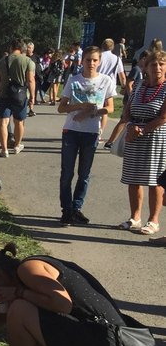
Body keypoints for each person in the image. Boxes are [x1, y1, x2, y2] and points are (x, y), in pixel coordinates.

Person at [0, 243, 124, 346]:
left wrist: (18, 293)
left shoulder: (27, 269)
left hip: (104, 345)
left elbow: (63, 304)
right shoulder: (27, 273)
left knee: (19, 309)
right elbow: (2, 316)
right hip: (110, 343)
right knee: (18, 310)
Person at [56, 46, 115, 226]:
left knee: (84, 174)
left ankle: (76, 208)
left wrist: (95, 110)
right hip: (71, 132)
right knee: (67, 173)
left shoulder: (106, 81)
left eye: (95, 60)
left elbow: (110, 108)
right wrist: (80, 106)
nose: (91, 63)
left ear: (99, 62)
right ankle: (66, 210)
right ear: (83, 61)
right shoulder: (74, 80)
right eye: (88, 59)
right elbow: (61, 107)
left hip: (91, 132)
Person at [117, 50, 166, 237]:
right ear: (146, 67)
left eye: (162, 64)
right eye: (154, 64)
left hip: (155, 138)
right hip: (133, 137)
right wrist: (130, 126)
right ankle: (134, 218)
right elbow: (127, 111)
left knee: (155, 180)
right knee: (133, 178)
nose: (158, 68)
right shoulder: (139, 86)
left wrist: (142, 130)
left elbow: (163, 117)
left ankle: (153, 220)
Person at [0, 39, 35, 157]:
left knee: (3, 122)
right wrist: (32, 97)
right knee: (19, 122)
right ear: (22, 48)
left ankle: (4, 149)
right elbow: (30, 80)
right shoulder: (27, 61)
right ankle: (17, 145)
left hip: (4, 95)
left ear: (11, 48)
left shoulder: (2, 61)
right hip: (20, 95)